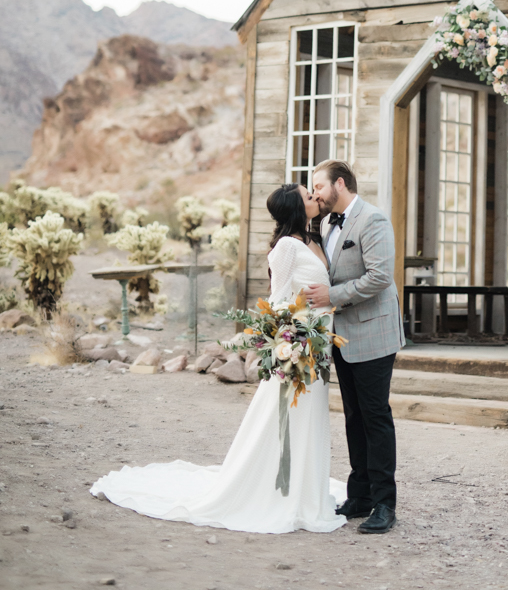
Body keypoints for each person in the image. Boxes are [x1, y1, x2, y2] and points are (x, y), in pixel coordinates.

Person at [90, 183, 346, 534]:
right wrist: (294, 337)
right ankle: (280, 490)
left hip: (318, 346)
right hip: (299, 345)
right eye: (307, 195)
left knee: (310, 415)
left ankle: (304, 488)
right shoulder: (286, 247)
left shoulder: (313, 240)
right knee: (288, 414)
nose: (315, 197)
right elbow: (278, 300)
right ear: (295, 209)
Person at [307, 159, 404, 535]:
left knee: (375, 418)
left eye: (319, 185)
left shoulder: (373, 219)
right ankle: (359, 496)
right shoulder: (327, 223)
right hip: (341, 338)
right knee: (353, 418)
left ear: (340, 183)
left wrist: (331, 297)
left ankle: (385, 504)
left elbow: (380, 277)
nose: (315, 192)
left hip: (374, 335)